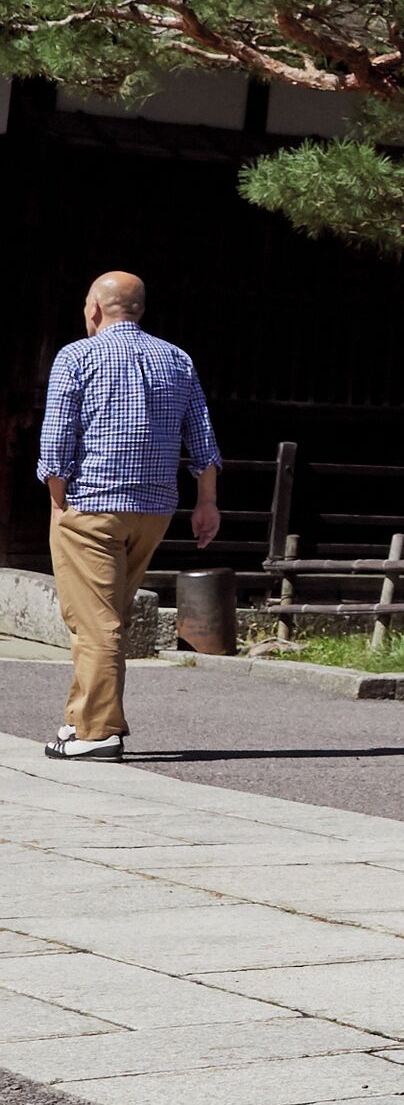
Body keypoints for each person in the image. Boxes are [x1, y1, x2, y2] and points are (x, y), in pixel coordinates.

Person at [35, 272, 221, 762]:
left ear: (94, 308)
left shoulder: (77, 355)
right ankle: (80, 718)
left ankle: (99, 732)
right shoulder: (175, 357)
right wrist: (207, 502)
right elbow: (202, 437)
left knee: (94, 623)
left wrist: (58, 498)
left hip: (92, 506)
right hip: (154, 510)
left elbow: (55, 444)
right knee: (104, 616)